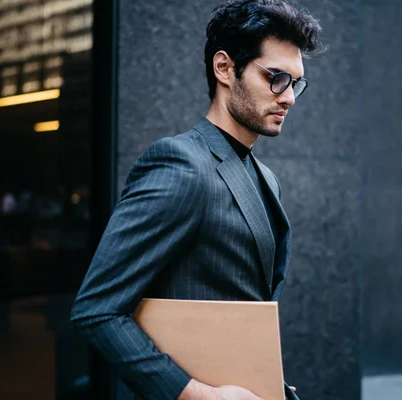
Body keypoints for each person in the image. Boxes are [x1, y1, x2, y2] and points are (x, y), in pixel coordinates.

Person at [70, 1, 323, 399]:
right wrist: (196, 395)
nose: (289, 97)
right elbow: (97, 309)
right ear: (224, 68)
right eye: (276, 78)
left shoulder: (266, 179)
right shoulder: (180, 164)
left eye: (295, 82)